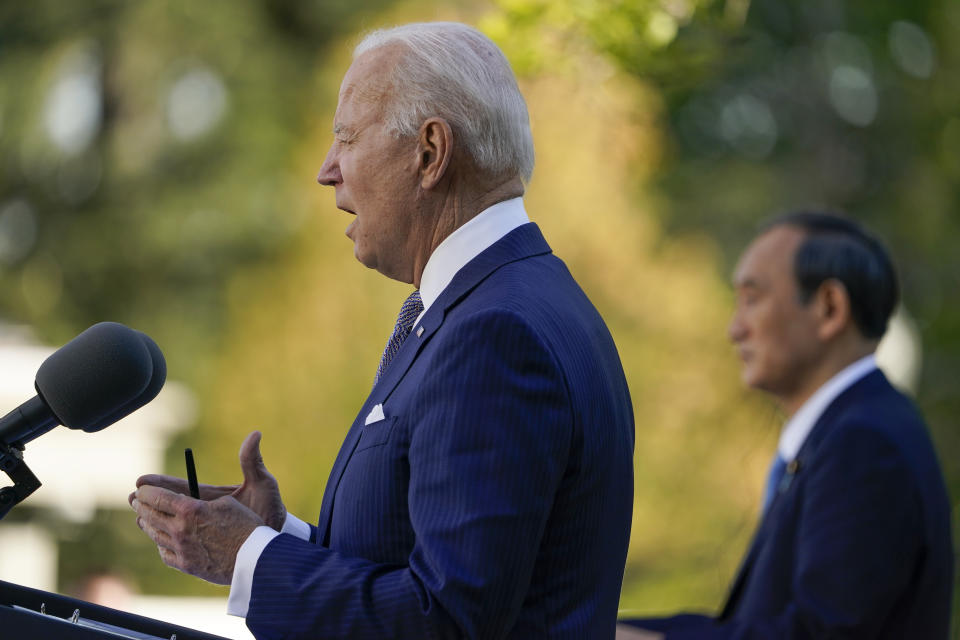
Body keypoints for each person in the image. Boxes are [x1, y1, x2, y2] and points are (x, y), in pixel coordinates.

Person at [130, 21, 635, 639]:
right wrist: (275, 538)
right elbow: (429, 572)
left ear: (430, 152)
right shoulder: (507, 302)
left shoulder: (495, 333)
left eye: (346, 138)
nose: (326, 170)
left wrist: (248, 560)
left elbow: (447, 621)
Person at [618, 211, 953, 638]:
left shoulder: (865, 445)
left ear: (830, 308)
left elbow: (817, 634)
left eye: (753, 299)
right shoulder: (850, 433)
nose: (734, 329)